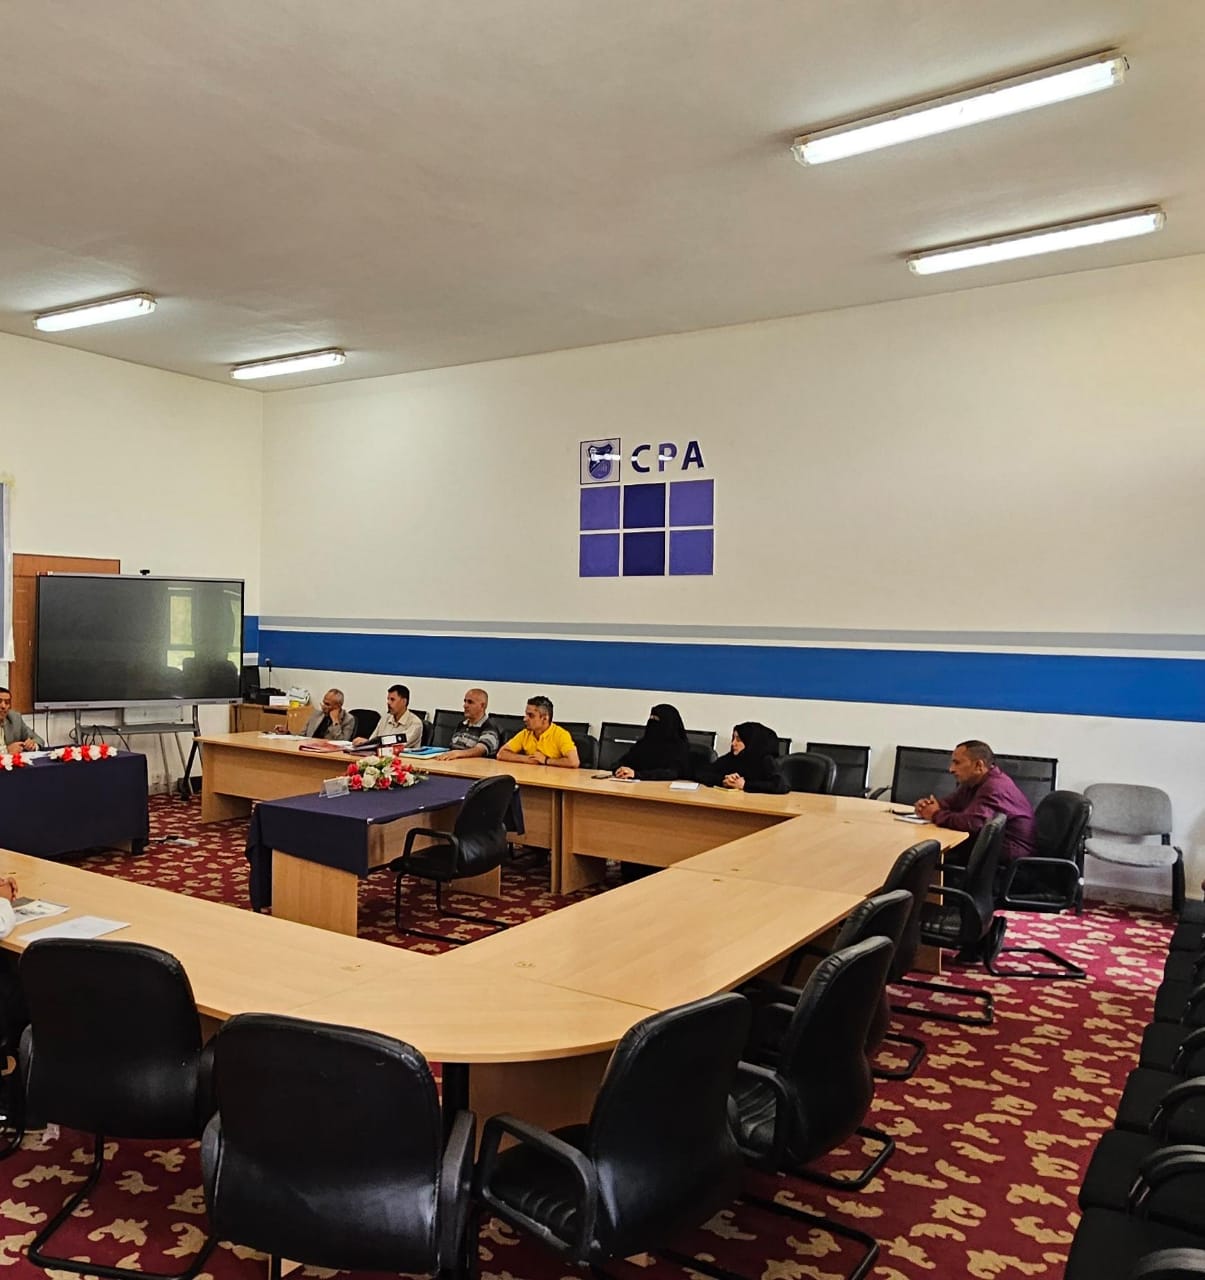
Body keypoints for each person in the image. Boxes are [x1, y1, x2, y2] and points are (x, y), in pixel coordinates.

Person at [914, 740, 1036, 863]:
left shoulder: (994, 787)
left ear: (978, 765)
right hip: (985, 852)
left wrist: (935, 814)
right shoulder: (973, 782)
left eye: (957, 763)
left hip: (1007, 863)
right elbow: (950, 803)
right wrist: (927, 806)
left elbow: (971, 824)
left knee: (925, 859)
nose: (951, 769)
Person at [696, 722, 788, 793]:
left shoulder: (766, 760)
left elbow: (781, 785)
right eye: (733, 738)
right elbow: (701, 773)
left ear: (751, 742)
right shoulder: (732, 757)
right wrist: (724, 780)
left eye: (739, 740)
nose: (733, 743)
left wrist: (745, 785)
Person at [496, 696, 580, 769]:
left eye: (531, 715)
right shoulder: (526, 733)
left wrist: (546, 760)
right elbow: (501, 754)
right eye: (526, 714)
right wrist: (527, 759)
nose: (525, 719)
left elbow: (574, 762)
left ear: (544, 719)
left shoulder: (561, 735)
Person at [612, 704, 691, 780]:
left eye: (656, 720)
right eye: (651, 718)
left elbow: (671, 773)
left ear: (668, 723)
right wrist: (620, 770)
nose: (652, 723)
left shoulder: (679, 747)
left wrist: (636, 774)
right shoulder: (643, 744)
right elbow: (622, 762)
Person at [437, 688, 502, 760]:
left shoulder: (490, 727)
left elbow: (480, 750)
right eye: (465, 701)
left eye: (470, 702)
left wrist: (458, 754)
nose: (465, 705)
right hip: (454, 763)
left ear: (482, 706)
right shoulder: (462, 724)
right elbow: (452, 747)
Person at [353, 683, 423, 749]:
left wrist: (373, 743)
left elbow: (398, 745)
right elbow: (373, 740)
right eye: (388, 699)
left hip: (402, 757)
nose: (388, 702)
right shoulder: (385, 719)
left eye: (392, 699)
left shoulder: (415, 723)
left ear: (404, 702)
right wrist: (364, 743)